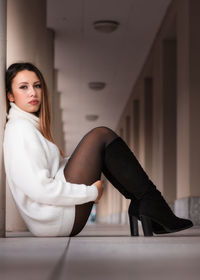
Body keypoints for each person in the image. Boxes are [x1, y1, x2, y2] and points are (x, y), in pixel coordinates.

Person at [3, 62, 193, 237]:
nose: (33, 93)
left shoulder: (28, 127)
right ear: (10, 95)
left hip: (53, 217)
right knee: (101, 135)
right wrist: (91, 193)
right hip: (53, 218)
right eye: (23, 87)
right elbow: (39, 189)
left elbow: (53, 173)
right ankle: (151, 204)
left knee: (100, 142)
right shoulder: (20, 129)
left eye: (37, 86)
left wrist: (89, 159)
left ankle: (145, 203)